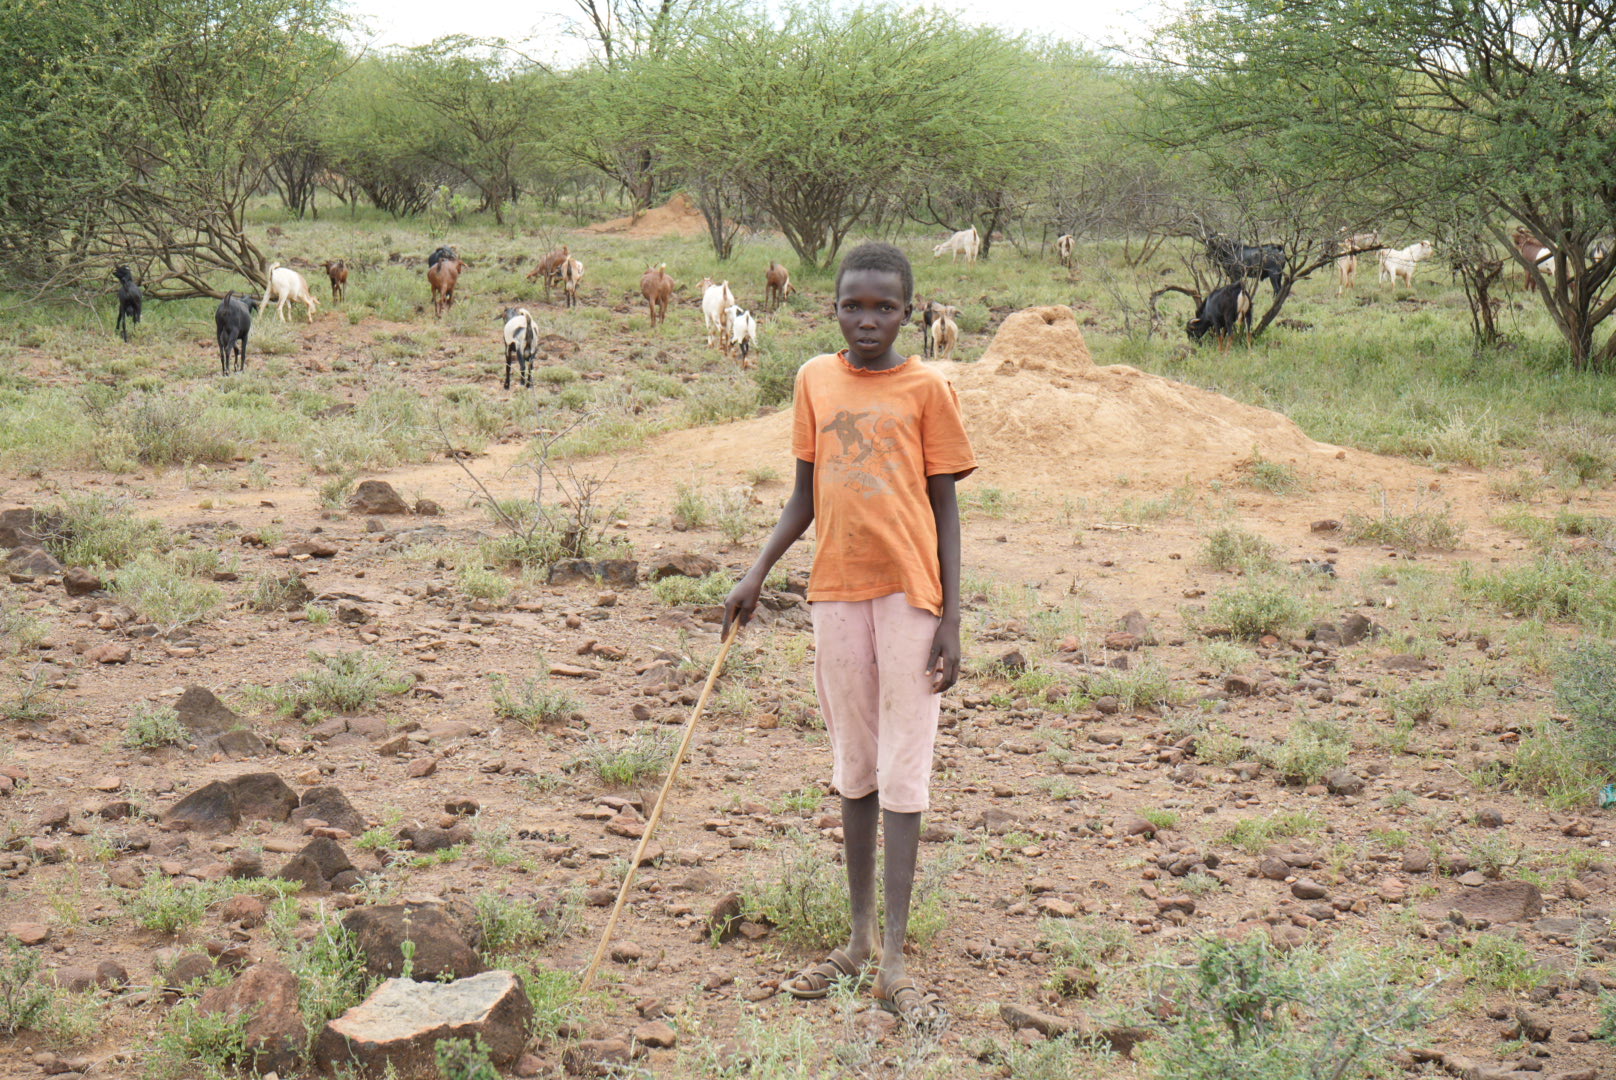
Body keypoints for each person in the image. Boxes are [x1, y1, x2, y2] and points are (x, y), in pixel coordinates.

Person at [722, 241, 975, 1025]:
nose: (868, 321)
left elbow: (945, 510)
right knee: (854, 765)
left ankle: (895, 958)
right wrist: (756, 572)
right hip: (833, 592)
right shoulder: (813, 380)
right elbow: (804, 496)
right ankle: (859, 941)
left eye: (885, 307)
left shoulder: (928, 388)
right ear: (832, 307)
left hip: (909, 598)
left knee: (905, 771)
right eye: (853, 306)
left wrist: (953, 621)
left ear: (911, 310)